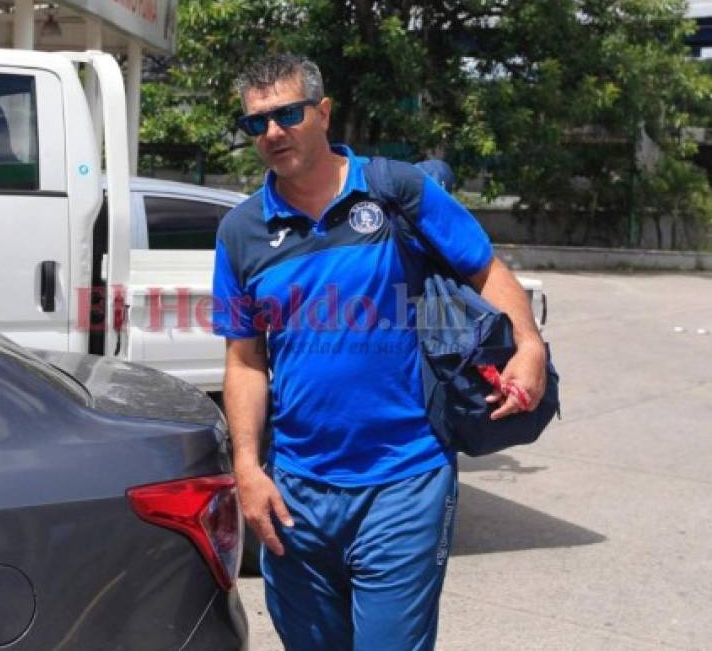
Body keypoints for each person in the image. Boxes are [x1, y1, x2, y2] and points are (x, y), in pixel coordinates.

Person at [212, 54, 547, 651]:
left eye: (287, 114)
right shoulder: (242, 232)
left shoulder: (394, 189)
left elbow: (484, 268)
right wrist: (247, 468)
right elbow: (245, 361)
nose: (271, 132)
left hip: (406, 480)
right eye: (255, 122)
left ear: (323, 112)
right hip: (296, 493)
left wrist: (530, 344)